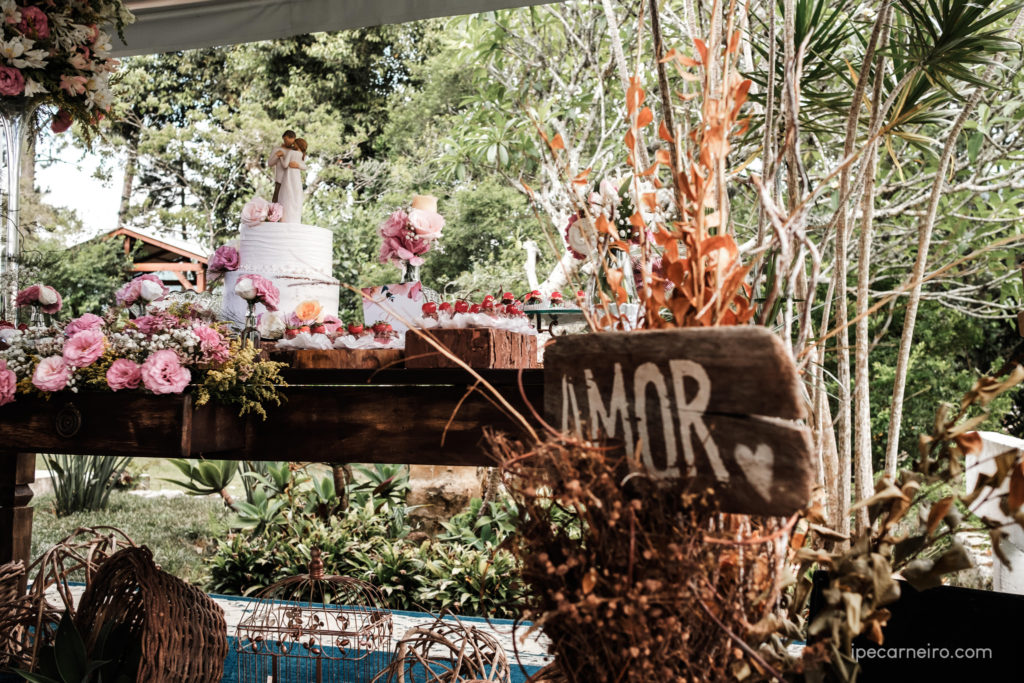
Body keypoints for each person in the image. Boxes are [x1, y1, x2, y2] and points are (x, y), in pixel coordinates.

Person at [278, 137, 307, 224]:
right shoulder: (302, 155)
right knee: (295, 198)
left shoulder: (291, 152)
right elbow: (305, 167)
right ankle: (294, 220)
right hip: (296, 179)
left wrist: (281, 157)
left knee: (285, 197)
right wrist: (298, 165)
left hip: (289, 177)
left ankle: (284, 219)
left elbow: (285, 165)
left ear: (297, 144)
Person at [268, 129, 296, 203]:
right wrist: (277, 155)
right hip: (280, 181)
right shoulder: (277, 149)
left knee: (290, 204)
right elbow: (270, 163)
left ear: (294, 139)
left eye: (290, 140)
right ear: (283, 138)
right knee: (276, 203)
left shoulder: (295, 151)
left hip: (291, 182)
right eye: (285, 139)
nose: (286, 142)